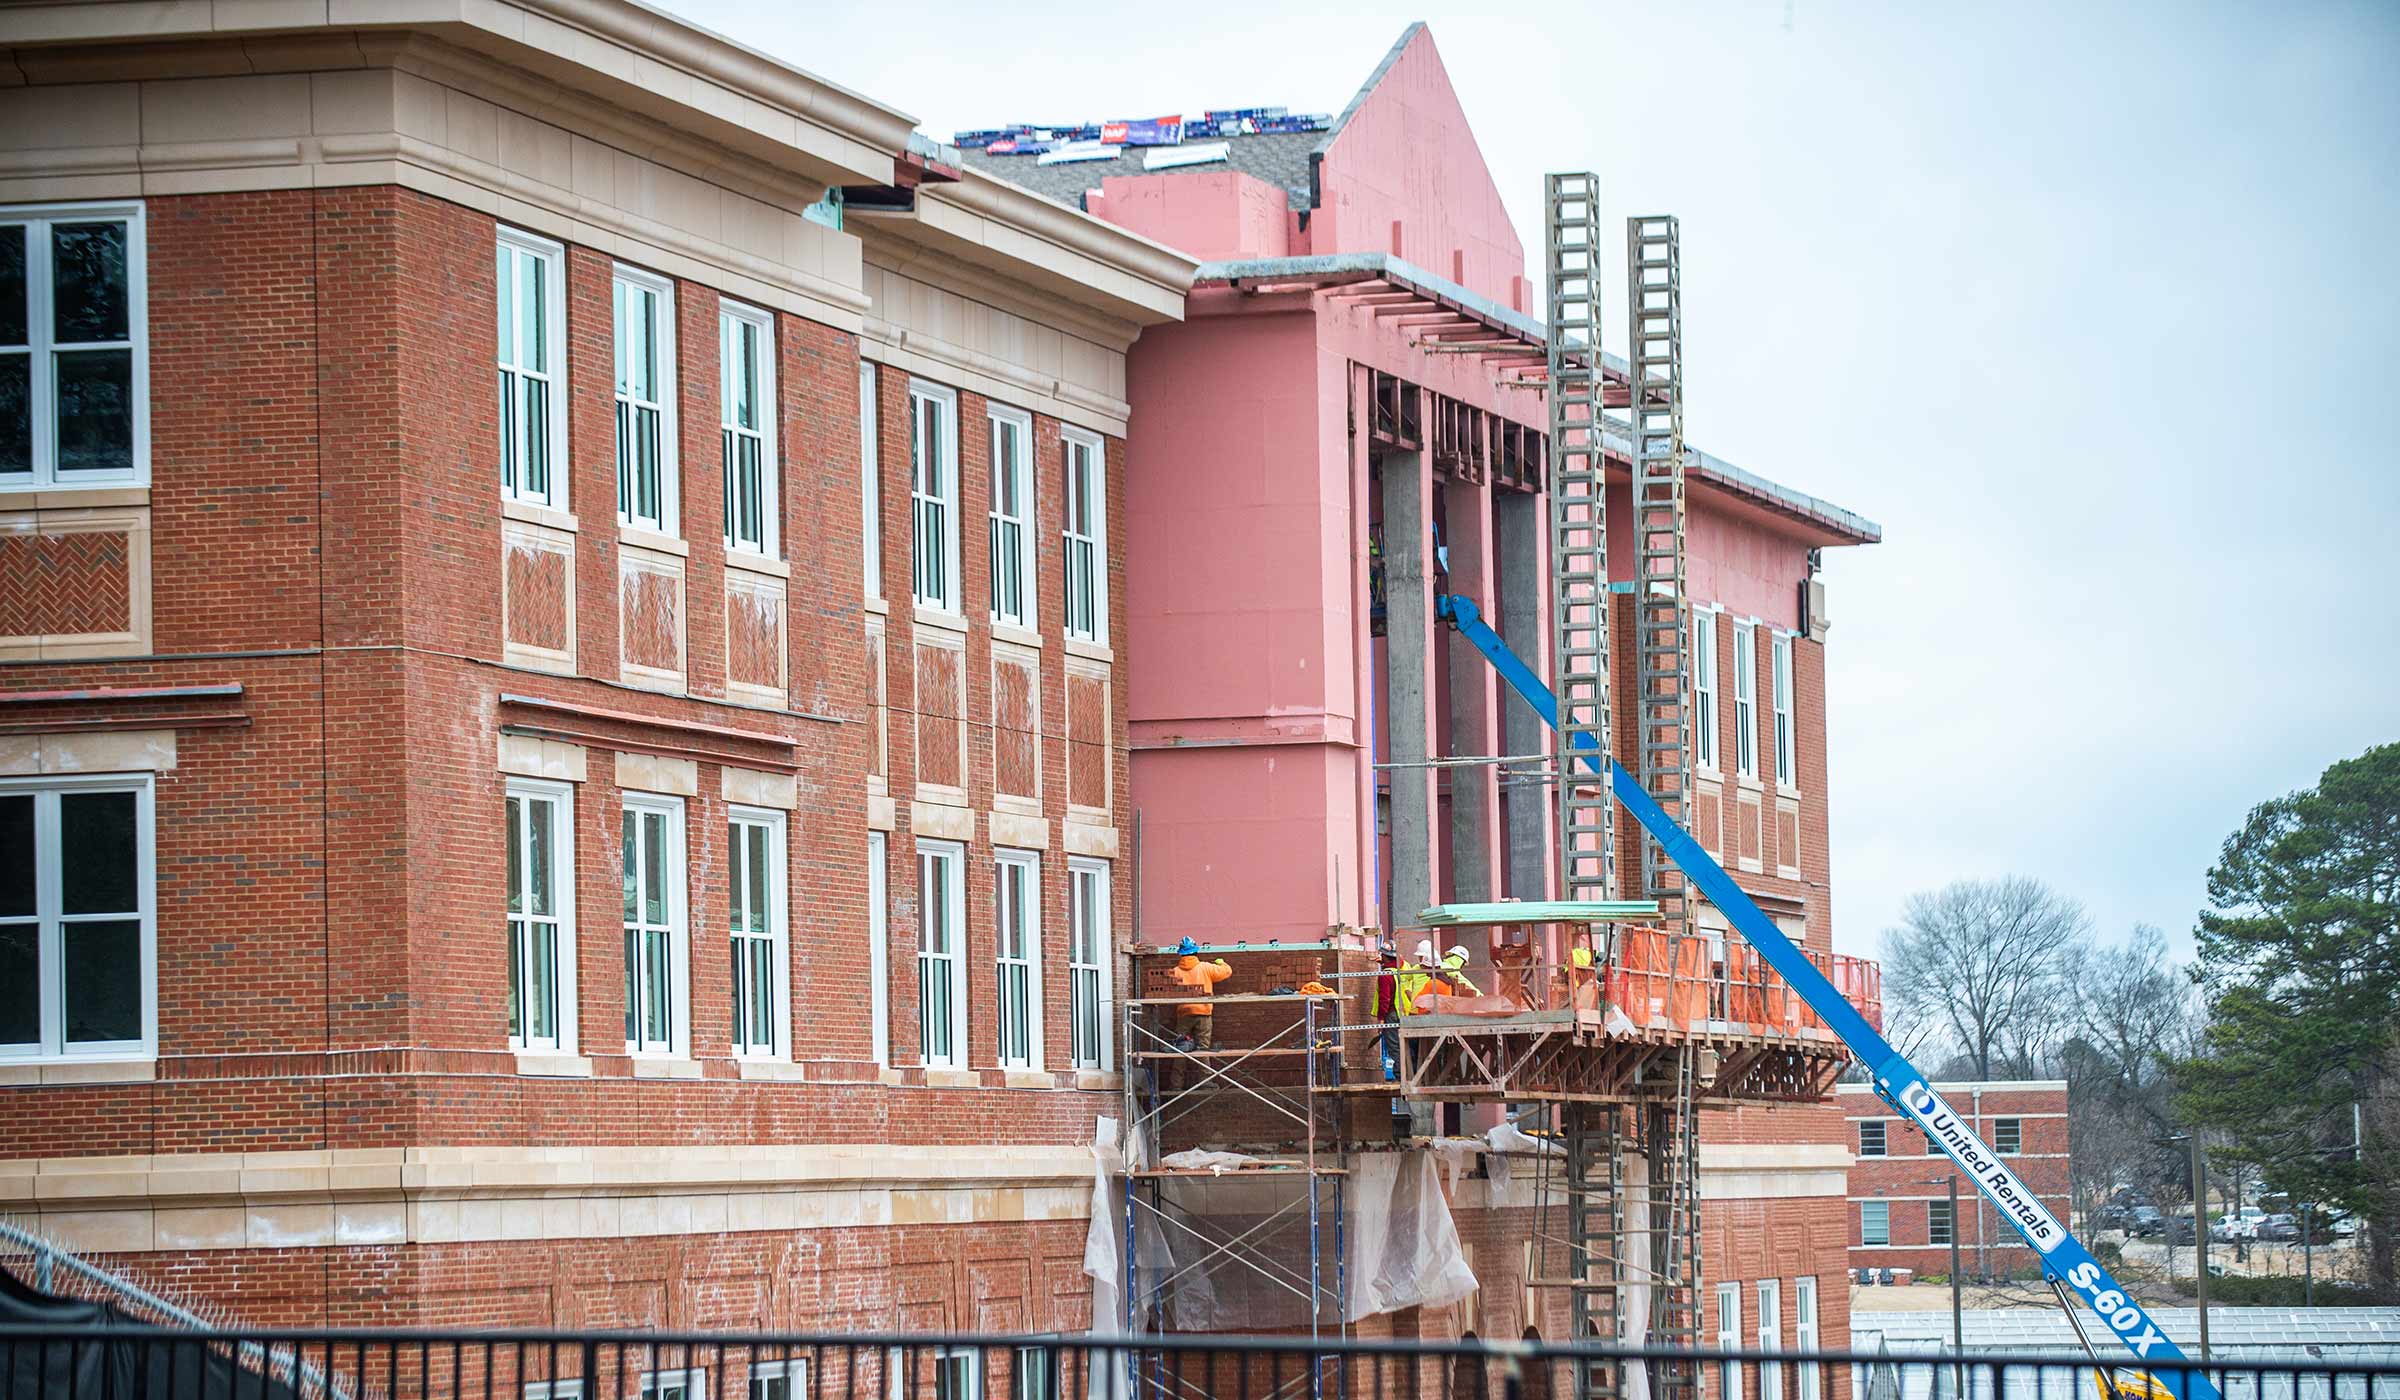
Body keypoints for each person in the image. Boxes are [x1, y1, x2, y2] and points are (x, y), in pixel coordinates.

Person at [1165, 936, 1232, 1051]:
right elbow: (1227, 972)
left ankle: (1178, 1070)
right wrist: (1222, 963)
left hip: (1184, 1012)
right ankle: (1204, 1069)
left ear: (1181, 953)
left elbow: (1167, 990)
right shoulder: (1205, 967)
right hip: (1203, 1011)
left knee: (1180, 1048)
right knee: (1203, 1049)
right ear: (1196, 951)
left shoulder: (1175, 971)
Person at [1371, 944, 1401, 1081]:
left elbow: (1385, 999)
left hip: (1391, 1014)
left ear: (1385, 956)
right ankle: (1406, 1074)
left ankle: (1400, 1076)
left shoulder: (1385, 975)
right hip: (1403, 1013)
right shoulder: (1401, 970)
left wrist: (1381, 1019)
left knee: (1394, 1046)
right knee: (1403, 1045)